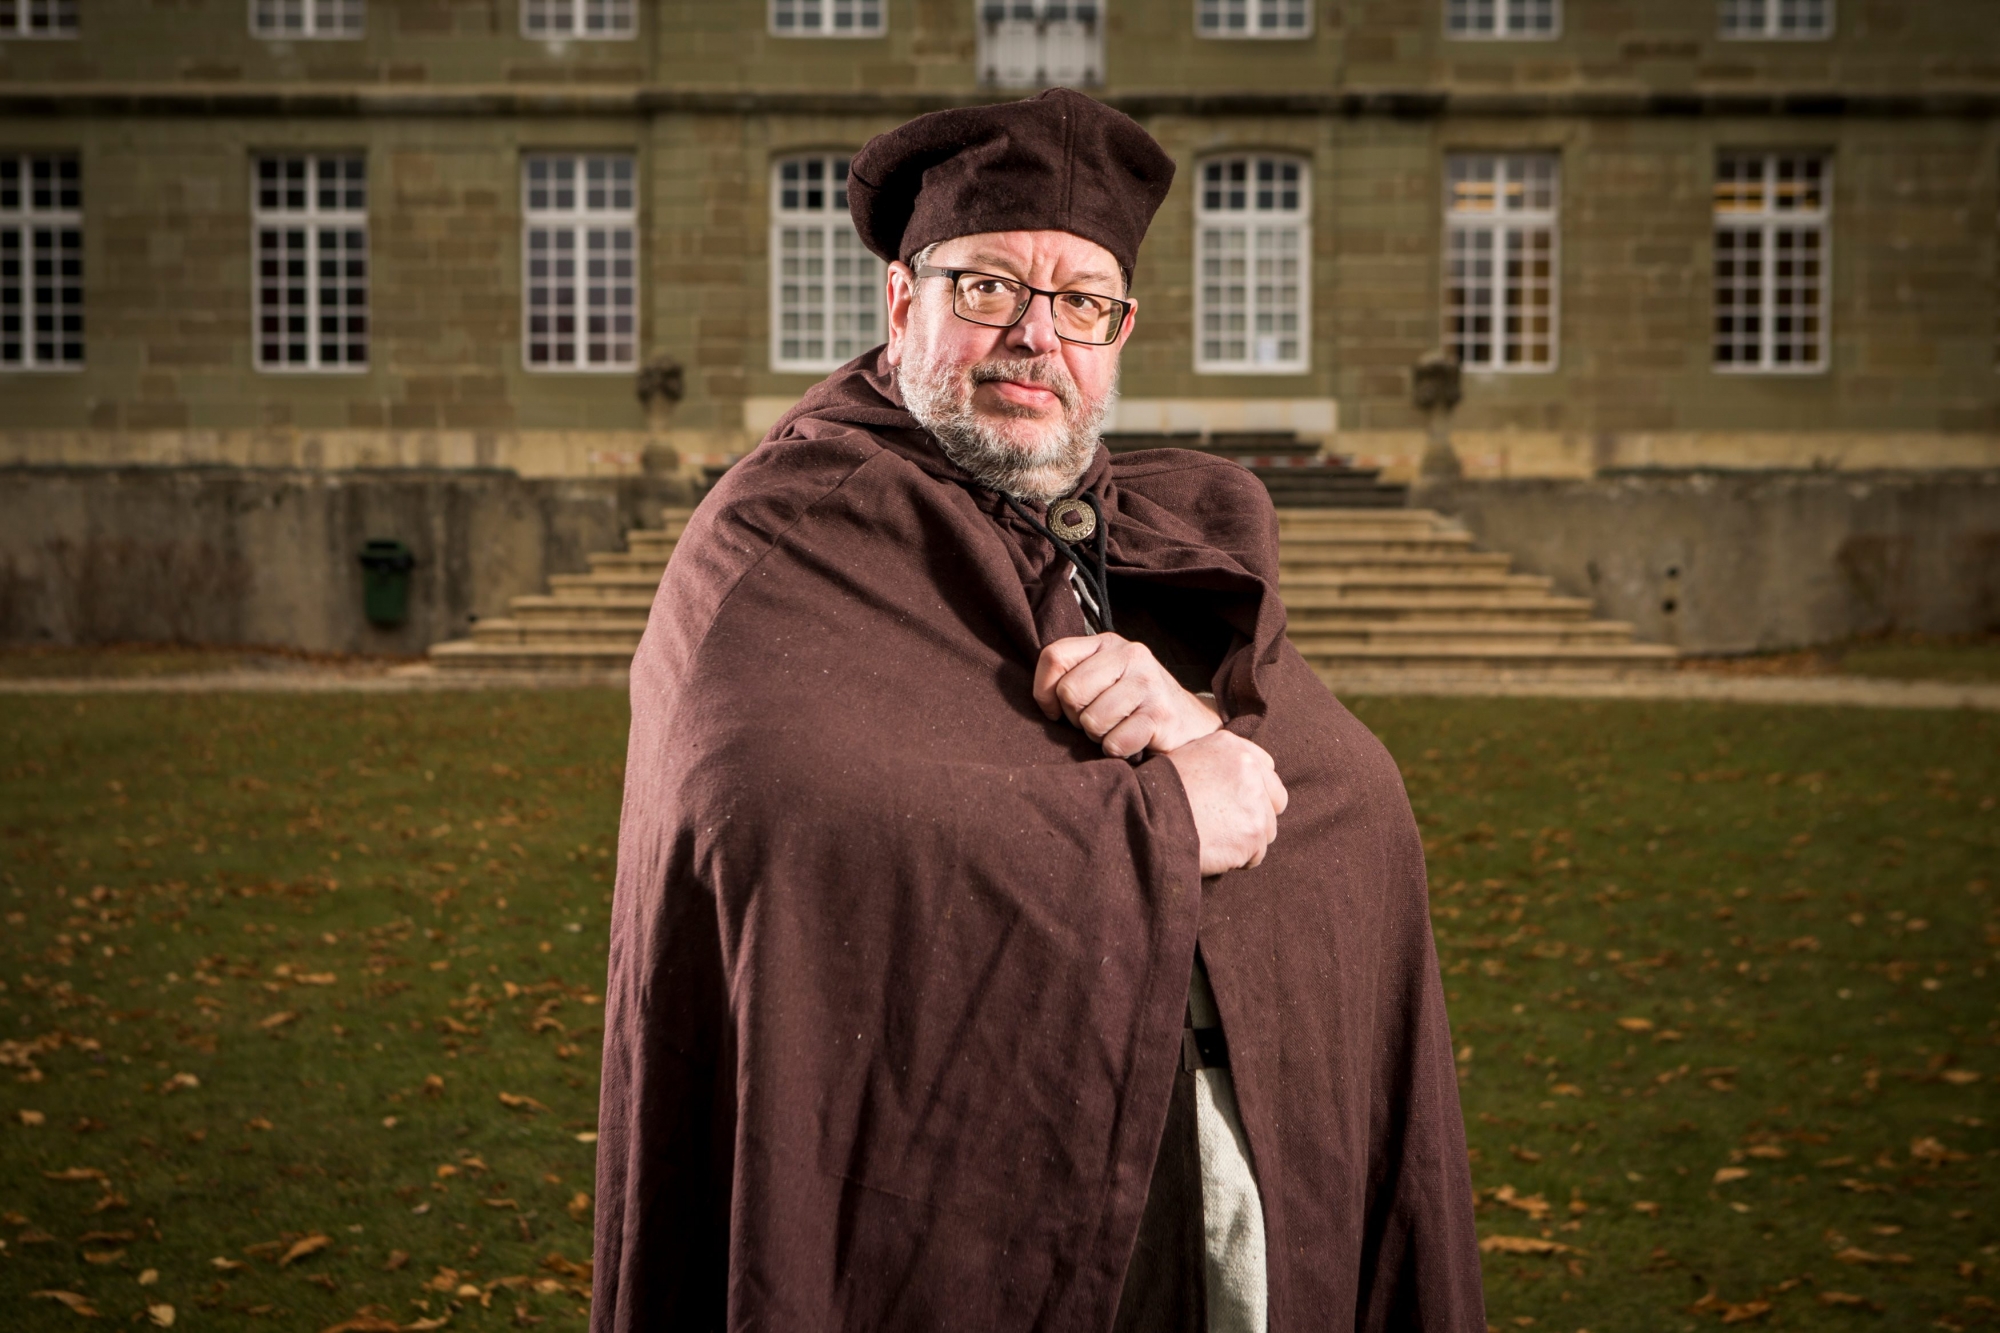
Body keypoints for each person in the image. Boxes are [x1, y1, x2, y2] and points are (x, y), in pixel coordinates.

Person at [591, 88, 1484, 1333]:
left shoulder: (1135, 534)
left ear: (1119, 330)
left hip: (1199, 1172)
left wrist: (1194, 726)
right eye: (987, 288)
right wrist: (1160, 821)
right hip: (942, 1191)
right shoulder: (786, 527)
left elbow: (1351, 811)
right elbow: (772, 819)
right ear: (902, 299)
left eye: (1078, 303)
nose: (1033, 336)